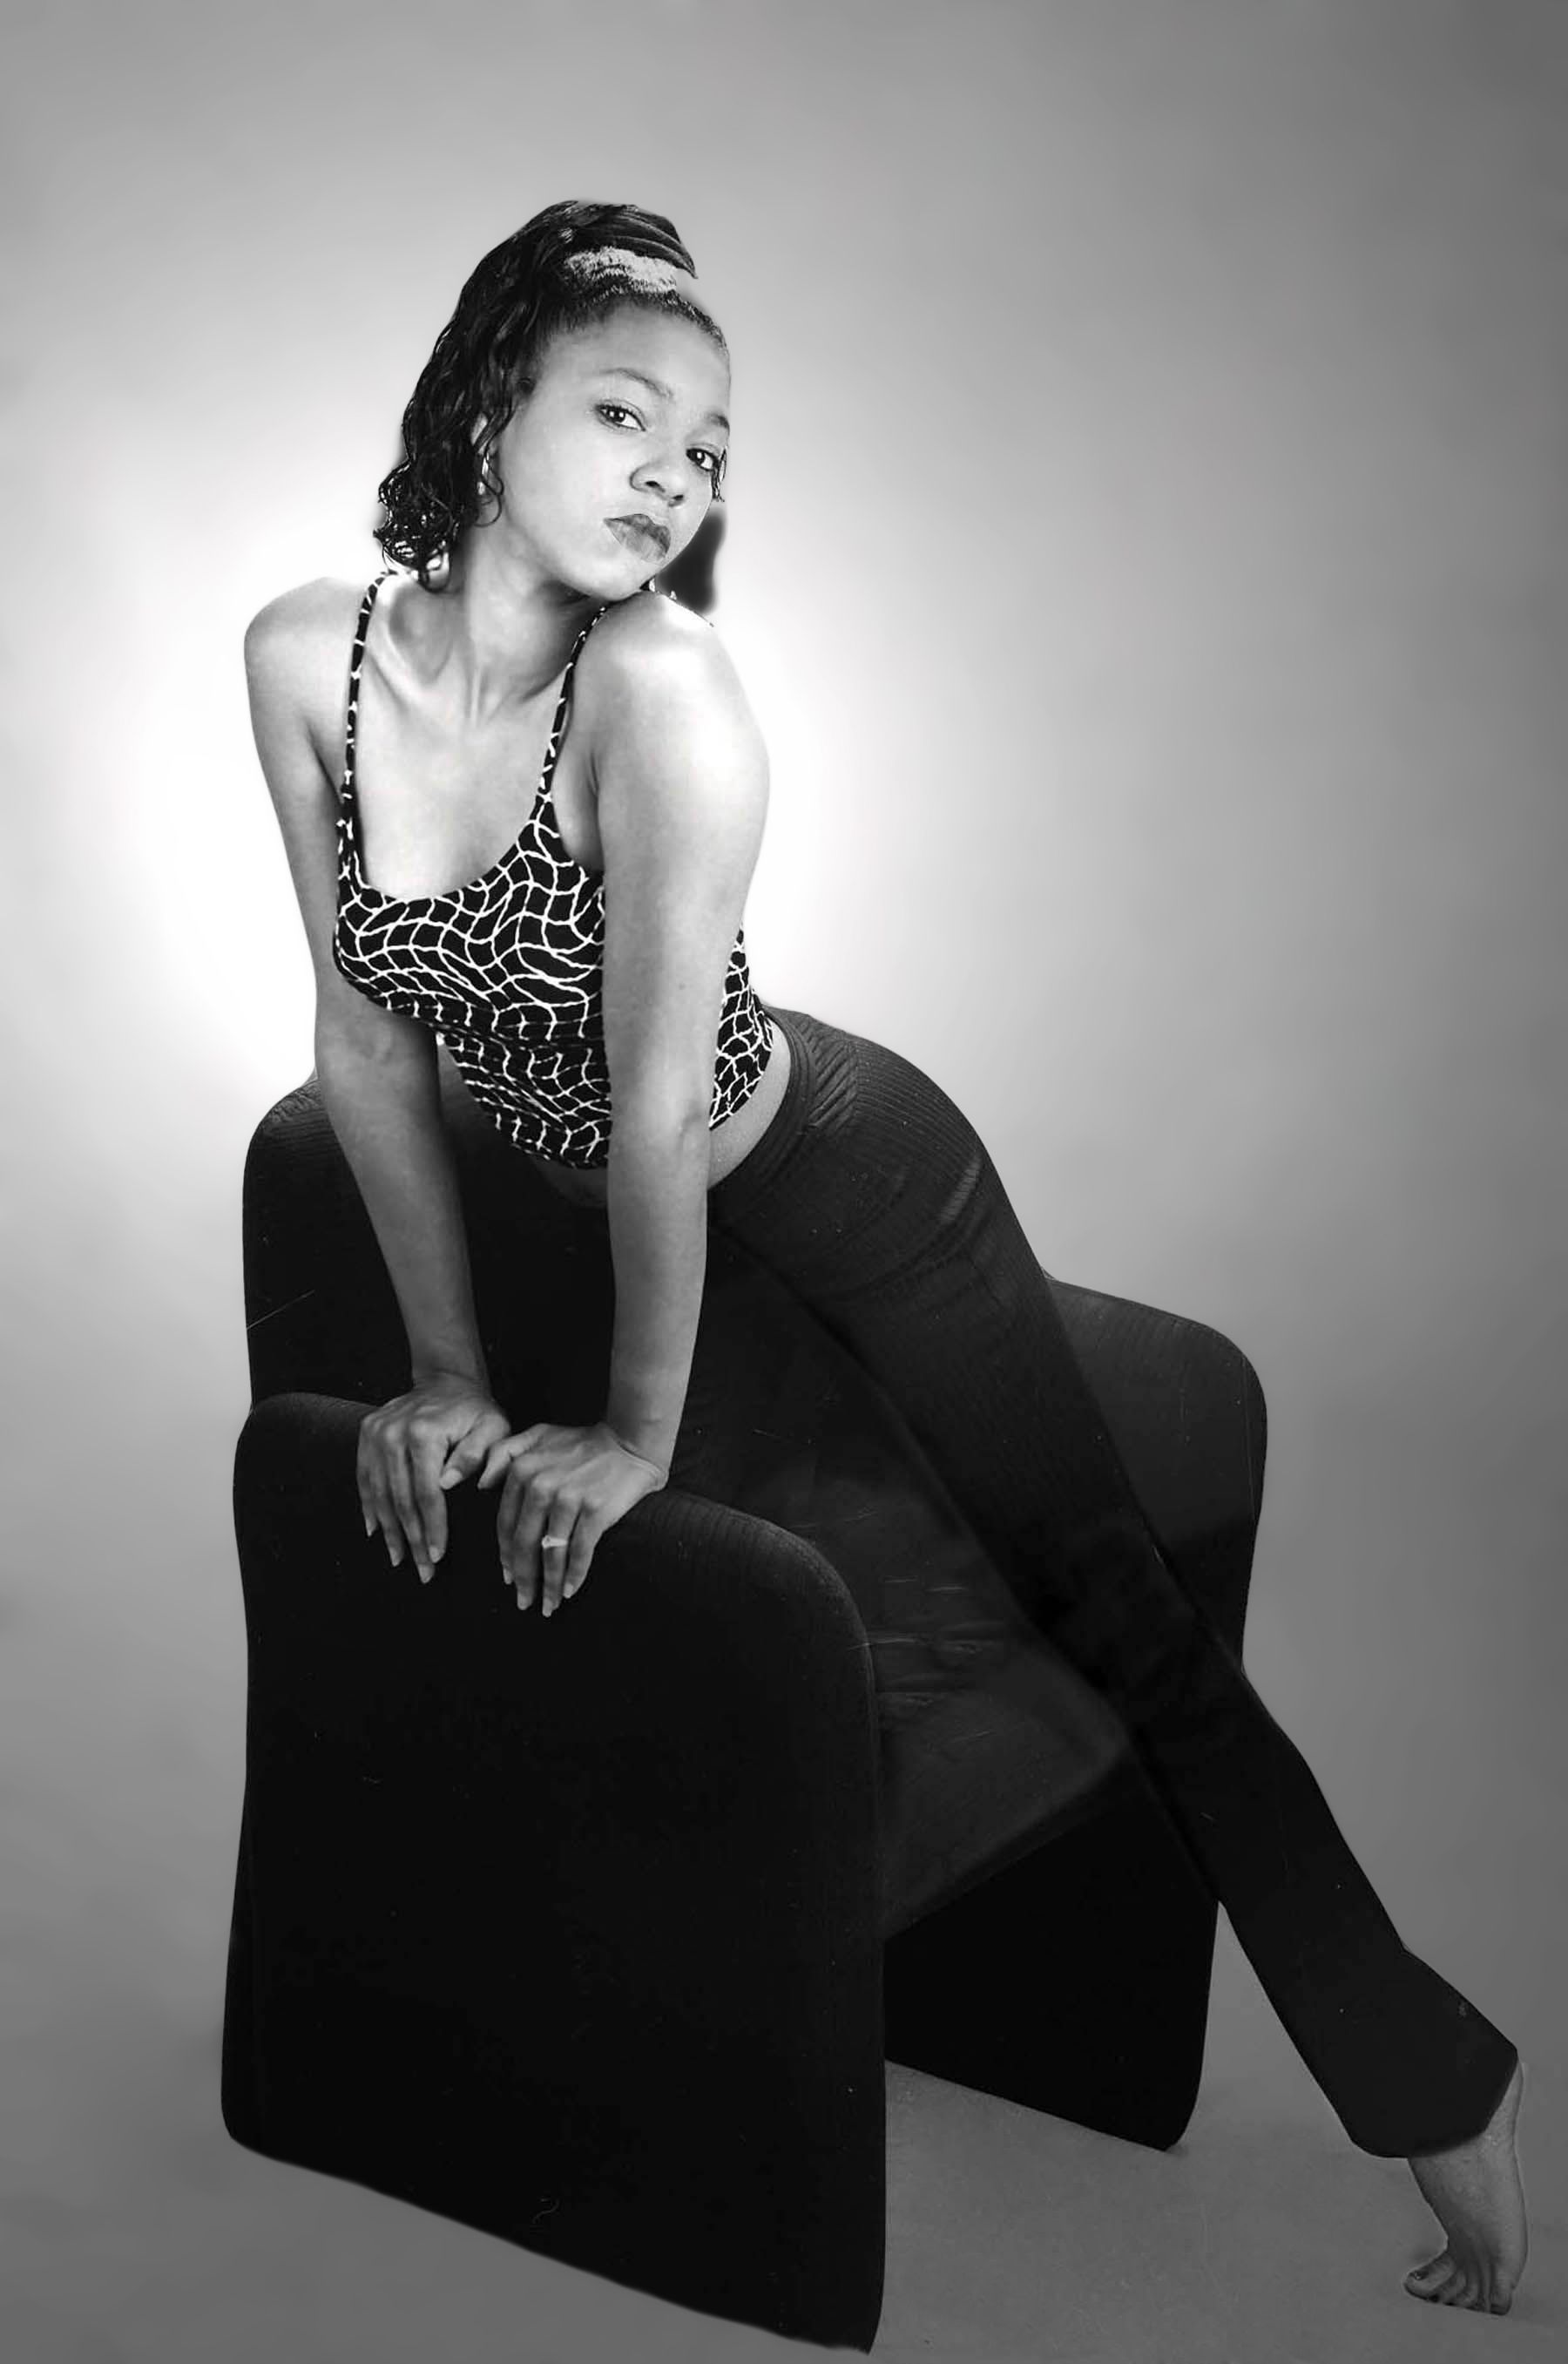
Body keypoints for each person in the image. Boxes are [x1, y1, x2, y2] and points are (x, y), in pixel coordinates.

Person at [241, 197, 1528, 2316]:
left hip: (846, 1184)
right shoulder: (310, 661)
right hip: (625, 1213)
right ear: (489, 410)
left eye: (717, 446)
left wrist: (631, 1438)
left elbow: (657, 1110)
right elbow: (368, 1036)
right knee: (734, 1627)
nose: (681, 473)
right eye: (629, 413)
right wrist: (452, 1378)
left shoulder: (666, 698)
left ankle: (1438, 2077)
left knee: (1115, 1609)